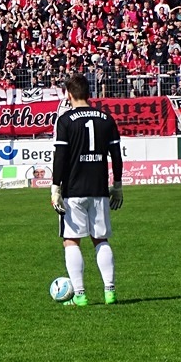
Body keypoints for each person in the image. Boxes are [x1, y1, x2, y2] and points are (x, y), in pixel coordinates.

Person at [50, 73, 123, 307]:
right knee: (101, 239)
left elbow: (60, 156)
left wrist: (55, 188)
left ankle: (80, 295)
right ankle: (109, 291)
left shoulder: (65, 120)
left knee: (71, 240)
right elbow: (116, 156)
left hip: (73, 189)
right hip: (99, 188)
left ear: (68, 94)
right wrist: (118, 186)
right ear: (88, 94)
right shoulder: (106, 118)